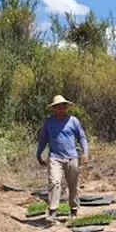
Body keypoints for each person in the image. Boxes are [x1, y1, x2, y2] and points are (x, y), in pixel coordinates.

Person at [36, 95, 89, 223]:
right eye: (58, 107)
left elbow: (82, 137)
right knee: (54, 182)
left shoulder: (73, 121)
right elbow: (43, 139)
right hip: (55, 157)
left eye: (63, 107)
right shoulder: (48, 122)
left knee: (73, 184)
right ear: (53, 109)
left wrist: (85, 153)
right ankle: (53, 211)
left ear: (66, 108)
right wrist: (38, 154)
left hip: (71, 157)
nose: (61, 110)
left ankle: (74, 210)